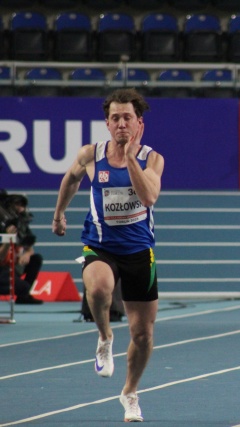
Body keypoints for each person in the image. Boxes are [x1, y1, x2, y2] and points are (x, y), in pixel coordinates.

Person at [52, 88, 164, 423]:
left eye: (127, 117)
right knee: (99, 288)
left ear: (138, 122)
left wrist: (130, 157)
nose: (120, 123)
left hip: (139, 251)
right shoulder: (91, 154)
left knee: (143, 336)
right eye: (114, 117)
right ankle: (104, 336)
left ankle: (129, 392)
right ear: (107, 122)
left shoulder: (151, 158)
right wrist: (59, 214)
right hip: (99, 245)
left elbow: (148, 198)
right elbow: (70, 179)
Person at [0, 192, 44, 305]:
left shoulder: (21, 224)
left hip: (12, 266)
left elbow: (29, 247)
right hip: (2, 268)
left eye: (22, 205)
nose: (20, 208)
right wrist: (8, 240)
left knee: (36, 258)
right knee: (23, 287)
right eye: (17, 204)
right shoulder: (2, 224)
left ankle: (23, 297)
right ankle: (22, 291)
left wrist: (27, 254)